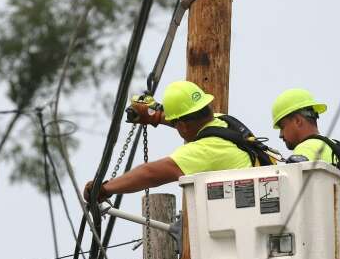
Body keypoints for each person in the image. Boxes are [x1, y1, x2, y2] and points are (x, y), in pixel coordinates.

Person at [83, 80, 257, 202]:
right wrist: (155, 116)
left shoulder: (203, 150)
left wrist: (105, 188)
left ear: (181, 125)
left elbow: (150, 173)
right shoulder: (223, 122)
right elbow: (188, 123)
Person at [270, 88, 340, 164]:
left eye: (282, 127)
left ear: (297, 121)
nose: (281, 135)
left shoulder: (306, 148)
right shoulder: (336, 146)